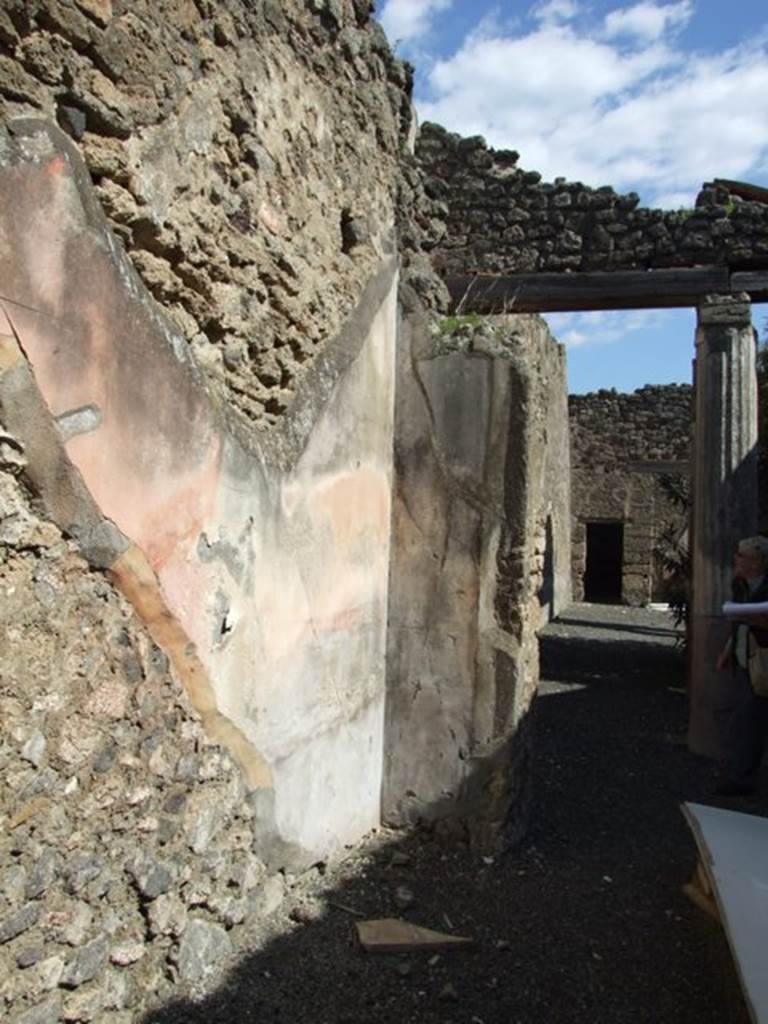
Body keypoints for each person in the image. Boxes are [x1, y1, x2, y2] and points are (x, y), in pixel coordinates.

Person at [715, 535, 768, 795]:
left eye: (741, 555)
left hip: (763, 663)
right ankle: (741, 774)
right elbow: (738, 621)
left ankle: (742, 780)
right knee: (748, 721)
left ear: (757, 563)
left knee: (751, 723)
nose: (735, 558)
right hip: (746, 660)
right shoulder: (741, 584)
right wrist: (727, 651)